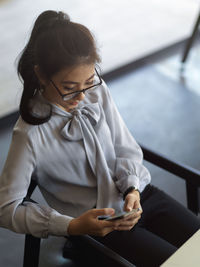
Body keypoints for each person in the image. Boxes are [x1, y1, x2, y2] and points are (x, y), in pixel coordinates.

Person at [0, 10, 199, 267]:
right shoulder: (28, 135)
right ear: (40, 75)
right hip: (98, 226)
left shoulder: (96, 91)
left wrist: (132, 188)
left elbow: (124, 148)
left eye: (89, 81)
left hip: (140, 198)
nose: (82, 97)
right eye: (69, 88)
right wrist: (71, 226)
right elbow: (6, 209)